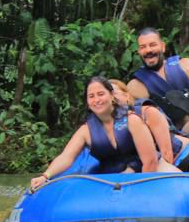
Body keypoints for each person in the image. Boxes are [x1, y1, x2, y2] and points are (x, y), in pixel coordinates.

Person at [30, 77, 176, 191]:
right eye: (91, 96)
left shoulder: (132, 121)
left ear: (112, 95)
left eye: (101, 94)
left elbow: (150, 161)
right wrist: (45, 176)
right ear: (87, 102)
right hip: (112, 178)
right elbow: (66, 157)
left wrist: (141, 190)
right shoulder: (86, 131)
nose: (96, 100)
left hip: (148, 171)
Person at [126, 28, 189, 129]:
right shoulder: (136, 86)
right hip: (179, 134)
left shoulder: (186, 65)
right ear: (139, 51)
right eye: (143, 47)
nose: (148, 50)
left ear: (163, 47)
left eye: (153, 45)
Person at [109, 79, 189, 172]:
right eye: (108, 95)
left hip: (185, 155)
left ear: (126, 96)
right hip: (158, 163)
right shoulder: (109, 127)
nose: (112, 98)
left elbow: (166, 152)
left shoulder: (146, 111)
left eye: (114, 93)